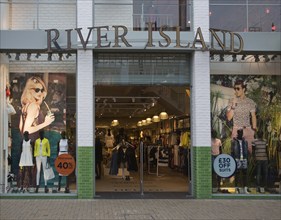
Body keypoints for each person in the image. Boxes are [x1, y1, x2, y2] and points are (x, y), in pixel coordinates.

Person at [19, 76, 55, 142]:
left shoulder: (26, 106)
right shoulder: (33, 106)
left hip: (27, 142)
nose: (40, 93)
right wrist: (45, 123)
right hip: (34, 143)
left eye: (41, 90)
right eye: (37, 90)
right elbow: (26, 130)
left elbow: (21, 128)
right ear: (29, 90)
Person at [226, 79, 257, 154]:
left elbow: (253, 116)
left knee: (250, 152)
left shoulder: (250, 102)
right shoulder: (231, 101)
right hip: (236, 129)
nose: (236, 90)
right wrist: (233, 105)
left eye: (238, 88)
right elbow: (229, 117)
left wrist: (254, 129)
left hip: (248, 129)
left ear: (244, 89)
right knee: (235, 152)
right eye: (235, 88)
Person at [231, 129, 250, 194]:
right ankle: (236, 188)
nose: (241, 134)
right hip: (237, 159)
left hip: (244, 159)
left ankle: (245, 188)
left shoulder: (245, 141)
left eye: (241, 133)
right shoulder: (234, 142)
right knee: (237, 174)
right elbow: (232, 151)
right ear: (237, 133)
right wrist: (232, 160)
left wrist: (247, 158)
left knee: (245, 174)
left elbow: (246, 150)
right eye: (240, 133)